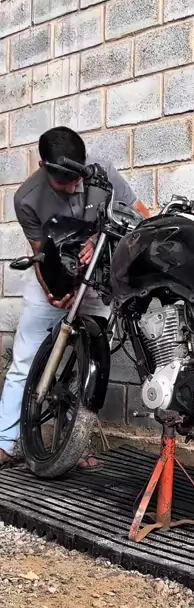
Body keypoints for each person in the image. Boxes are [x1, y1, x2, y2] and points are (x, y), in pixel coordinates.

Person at [0, 127, 149, 468]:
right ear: (43, 166)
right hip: (53, 274)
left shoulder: (103, 172)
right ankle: (5, 444)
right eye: (62, 182)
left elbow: (140, 215)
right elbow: (38, 252)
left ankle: (71, 448)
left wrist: (101, 241)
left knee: (85, 363)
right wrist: (52, 292)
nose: (71, 188)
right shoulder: (26, 198)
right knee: (25, 360)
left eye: (76, 180)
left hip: (97, 278)